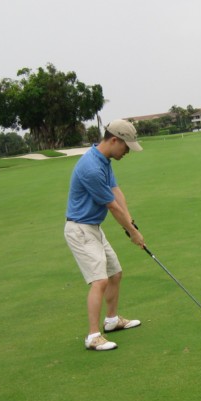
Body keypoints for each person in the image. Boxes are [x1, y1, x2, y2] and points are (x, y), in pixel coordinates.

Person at [64, 119, 146, 351]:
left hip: (93, 228)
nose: (127, 152)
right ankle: (93, 336)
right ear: (114, 140)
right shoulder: (91, 168)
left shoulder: (103, 160)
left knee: (114, 273)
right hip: (80, 230)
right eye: (126, 147)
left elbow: (116, 192)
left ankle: (111, 320)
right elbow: (111, 206)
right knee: (99, 280)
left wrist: (131, 223)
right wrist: (133, 233)